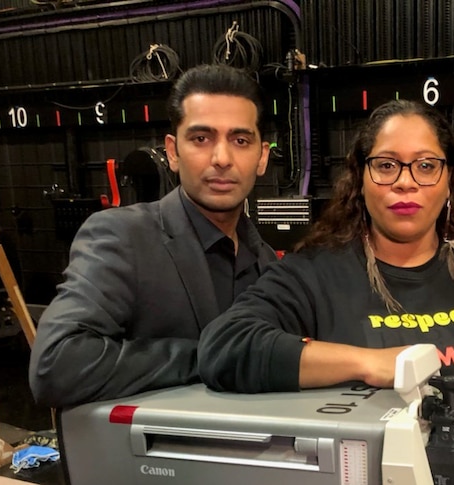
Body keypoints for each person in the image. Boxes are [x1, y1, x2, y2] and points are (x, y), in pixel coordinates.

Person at [197, 99, 454, 393]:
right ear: (360, 180)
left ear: (450, 180)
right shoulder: (314, 274)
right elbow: (224, 348)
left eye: (426, 165)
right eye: (386, 165)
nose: (405, 182)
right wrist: (369, 363)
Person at [29, 64, 277, 407]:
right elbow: (56, 365)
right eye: (201, 139)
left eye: (240, 140)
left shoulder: (264, 261)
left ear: (261, 157)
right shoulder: (122, 238)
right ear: (173, 152)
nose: (221, 158)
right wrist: (212, 357)